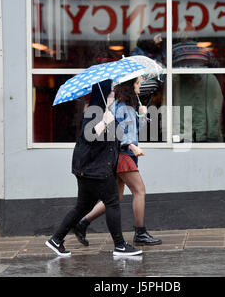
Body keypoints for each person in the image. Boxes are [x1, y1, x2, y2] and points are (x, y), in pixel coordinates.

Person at [45, 80, 142, 257]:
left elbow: (118, 138)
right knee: (112, 202)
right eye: (111, 92)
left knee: (82, 207)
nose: (114, 95)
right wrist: (105, 121)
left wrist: (131, 145)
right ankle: (120, 245)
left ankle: (56, 239)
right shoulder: (93, 112)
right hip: (95, 169)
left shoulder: (107, 112)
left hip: (91, 169)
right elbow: (89, 136)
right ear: (104, 94)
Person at [73, 77, 162, 247]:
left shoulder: (121, 106)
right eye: (138, 84)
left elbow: (133, 129)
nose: (140, 86)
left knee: (116, 197)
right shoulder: (125, 108)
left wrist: (142, 116)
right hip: (124, 155)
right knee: (139, 191)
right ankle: (140, 232)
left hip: (117, 155)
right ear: (130, 86)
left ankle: (82, 223)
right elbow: (124, 134)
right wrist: (131, 146)